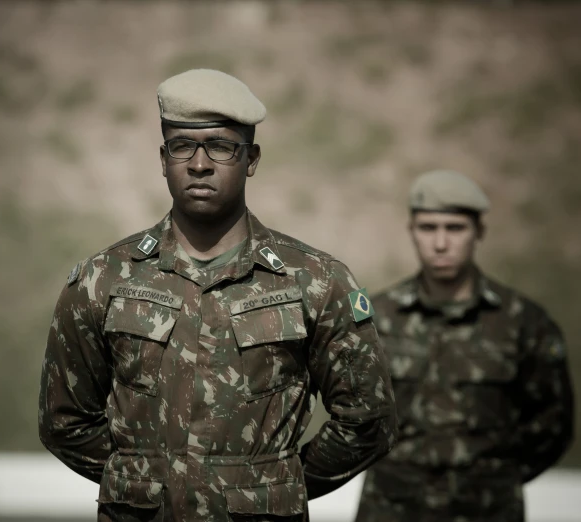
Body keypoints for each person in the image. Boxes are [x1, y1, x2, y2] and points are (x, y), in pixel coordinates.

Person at [39, 69, 398, 521]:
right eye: (183, 146)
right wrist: (141, 484)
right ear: (164, 157)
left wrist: (272, 487)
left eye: (221, 146)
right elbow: (64, 423)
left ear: (251, 158)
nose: (199, 164)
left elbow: (369, 421)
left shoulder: (315, 281)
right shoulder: (103, 279)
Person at [355, 170, 575, 522]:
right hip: (392, 508)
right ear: (412, 231)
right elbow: (353, 414)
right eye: (428, 228)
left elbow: (553, 424)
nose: (441, 243)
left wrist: (493, 477)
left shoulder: (522, 321)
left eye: (455, 228)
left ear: (479, 232)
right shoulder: (376, 318)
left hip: (488, 508)